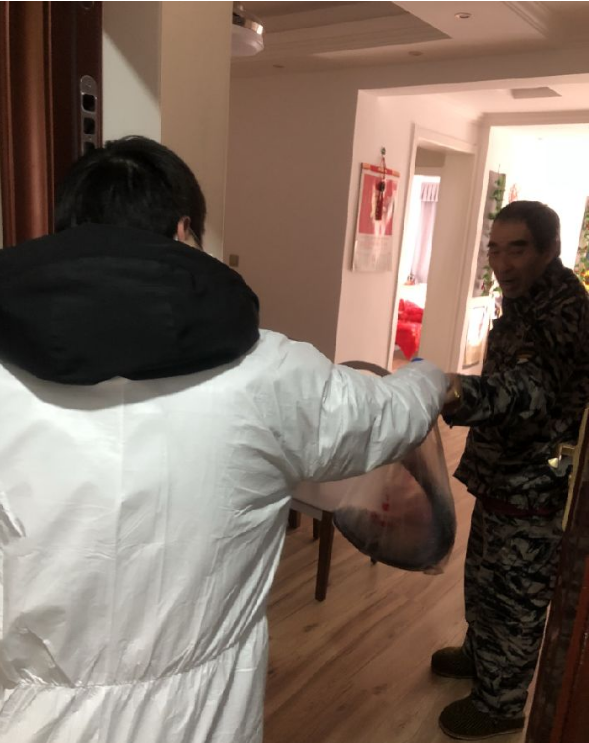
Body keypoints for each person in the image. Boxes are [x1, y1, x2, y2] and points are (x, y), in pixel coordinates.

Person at [0, 136, 448, 743]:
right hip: (203, 721)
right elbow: (386, 416)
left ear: (66, 230)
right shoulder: (271, 374)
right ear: (185, 232)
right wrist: (430, 376)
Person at [432, 201, 589, 740]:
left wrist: (454, 392)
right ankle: (481, 656)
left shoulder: (564, 313)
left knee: (515, 597)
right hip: (502, 476)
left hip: (536, 487)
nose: (502, 264)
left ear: (550, 249)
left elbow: (528, 391)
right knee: (484, 577)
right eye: (494, 250)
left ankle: (501, 705)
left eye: (516, 249)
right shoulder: (525, 304)